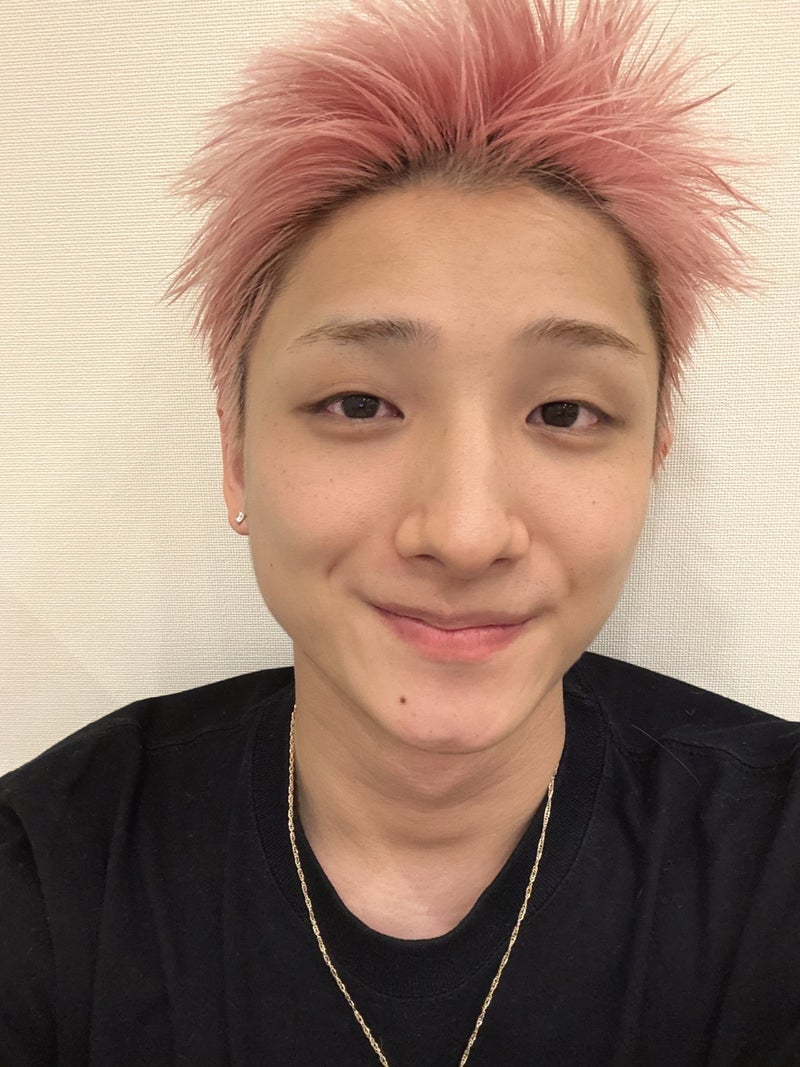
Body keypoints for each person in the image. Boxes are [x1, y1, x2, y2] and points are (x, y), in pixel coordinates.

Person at [1, 0, 798, 1064]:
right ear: (235, 454)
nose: (464, 533)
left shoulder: (773, 866)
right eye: (359, 403)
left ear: (651, 455)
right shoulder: (50, 878)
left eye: (563, 411)